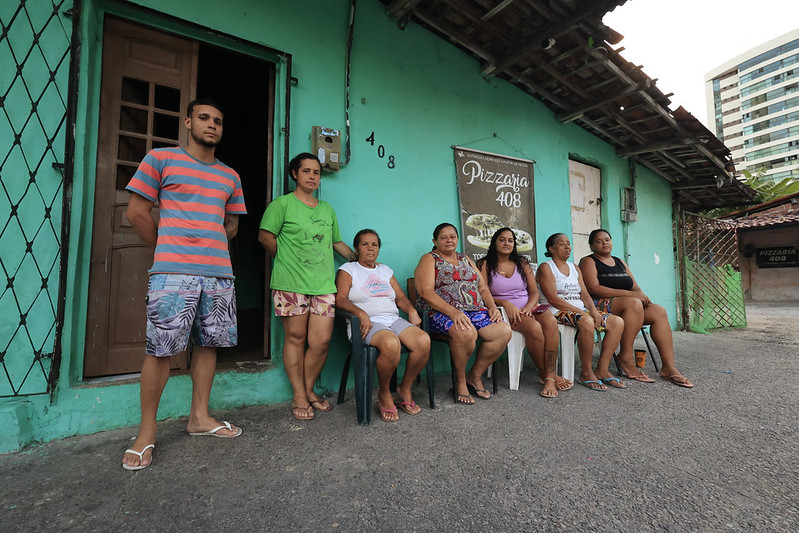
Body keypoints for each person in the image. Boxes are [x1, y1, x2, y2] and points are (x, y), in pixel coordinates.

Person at [121, 98, 245, 471]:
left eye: (218, 121)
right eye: (204, 118)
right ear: (188, 122)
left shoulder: (230, 176)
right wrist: (170, 246)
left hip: (219, 274)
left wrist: (207, 241)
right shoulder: (161, 160)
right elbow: (136, 212)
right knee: (160, 349)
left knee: (210, 344)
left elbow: (233, 225)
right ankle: (146, 434)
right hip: (172, 273)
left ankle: (200, 418)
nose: (212, 125)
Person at [259, 153, 356, 420]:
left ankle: (308, 388)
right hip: (290, 283)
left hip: (323, 285)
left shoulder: (326, 209)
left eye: (316, 172)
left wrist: (357, 259)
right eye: (306, 171)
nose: (312, 176)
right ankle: (301, 396)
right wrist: (287, 258)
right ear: (294, 174)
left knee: (321, 341)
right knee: (296, 338)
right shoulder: (282, 205)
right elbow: (265, 236)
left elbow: (336, 242)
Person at [335, 229, 431, 422]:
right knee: (391, 343)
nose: (370, 248)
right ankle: (385, 392)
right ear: (356, 248)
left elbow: (401, 298)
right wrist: (361, 313)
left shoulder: (385, 270)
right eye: (365, 244)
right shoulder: (349, 269)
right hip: (366, 323)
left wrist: (411, 310)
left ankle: (404, 389)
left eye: (374, 244)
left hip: (392, 319)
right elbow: (340, 299)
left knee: (423, 341)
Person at [578, 229, 693, 387]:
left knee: (658, 311)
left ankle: (668, 367)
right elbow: (593, 288)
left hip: (628, 306)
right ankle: (625, 356)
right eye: (599, 241)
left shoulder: (619, 262)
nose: (604, 243)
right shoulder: (589, 261)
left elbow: (635, 287)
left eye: (607, 239)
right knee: (633, 302)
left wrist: (640, 295)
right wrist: (629, 295)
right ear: (592, 246)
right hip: (598, 304)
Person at [414, 223, 511, 404]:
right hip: (440, 313)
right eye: (443, 237)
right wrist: (453, 312)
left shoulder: (465, 259)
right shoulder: (429, 259)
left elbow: (482, 287)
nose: (449, 240)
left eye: (452, 236)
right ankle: (459, 382)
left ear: (457, 239)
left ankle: (474, 376)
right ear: (435, 241)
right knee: (466, 332)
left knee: (503, 331)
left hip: (474, 311)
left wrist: (491, 307)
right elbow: (426, 292)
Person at [477, 228, 572, 398]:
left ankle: (550, 373)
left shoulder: (522, 263)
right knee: (535, 328)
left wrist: (529, 306)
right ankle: (546, 376)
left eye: (510, 240)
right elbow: (484, 293)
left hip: (528, 307)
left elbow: (534, 292)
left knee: (550, 320)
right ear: (494, 242)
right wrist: (505, 303)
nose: (507, 243)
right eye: (502, 240)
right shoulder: (485, 264)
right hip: (507, 313)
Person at [536, 233, 624, 391]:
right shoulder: (546, 267)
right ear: (551, 248)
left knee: (617, 322)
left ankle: (602, 369)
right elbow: (553, 299)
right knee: (586, 321)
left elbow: (584, 294)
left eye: (568, 243)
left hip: (581, 310)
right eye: (562, 244)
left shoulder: (574, 267)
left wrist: (593, 311)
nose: (567, 247)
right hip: (557, 311)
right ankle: (586, 372)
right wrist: (584, 313)